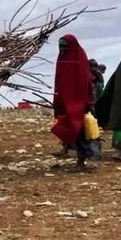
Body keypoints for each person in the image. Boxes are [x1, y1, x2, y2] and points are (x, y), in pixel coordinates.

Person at [51, 35, 99, 170]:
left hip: (78, 103)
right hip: (65, 101)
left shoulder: (79, 57)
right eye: (60, 48)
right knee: (68, 129)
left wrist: (88, 102)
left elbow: (85, 82)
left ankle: (81, 161)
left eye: (65, 47)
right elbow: (59, 80)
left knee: (79, 131)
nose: (62, 50)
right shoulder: (62, 59)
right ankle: (73, 154)